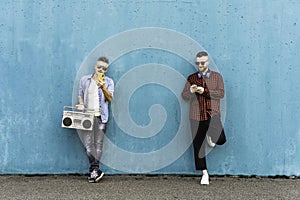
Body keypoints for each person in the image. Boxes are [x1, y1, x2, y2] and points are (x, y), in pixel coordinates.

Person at [182, 51, 226, 185]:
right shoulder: (192, 78)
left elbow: (221, 93)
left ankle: (211, 136)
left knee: (221, 139)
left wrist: (205, 91)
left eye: (203, 63)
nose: (200, 65)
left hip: (212, 113)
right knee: (198, 145)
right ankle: (204, 173)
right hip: (196, 115)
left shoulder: (216, 77)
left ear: (208, 62)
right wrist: (190, 91)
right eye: (198, 63)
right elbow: (184, 95)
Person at [76, 56, 114, 183]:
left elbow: (110, 98)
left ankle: (94, 170)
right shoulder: (85, 80)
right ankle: (95, 170)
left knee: (98, 144)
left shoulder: (109, 82)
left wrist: (103, 87)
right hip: (87, 117)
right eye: (99, 67)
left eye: (104, 69)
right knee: (88, 145)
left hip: (101, 117)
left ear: (106, 70)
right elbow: (80, 95)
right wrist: (81, 104)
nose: (101, 70)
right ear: (95, 66)